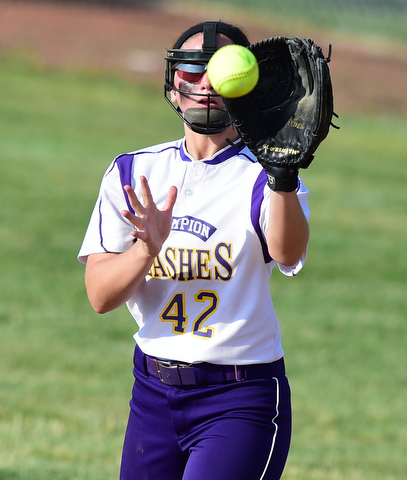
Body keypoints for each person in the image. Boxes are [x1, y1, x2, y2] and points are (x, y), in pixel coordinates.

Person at [78, 21, 310, 480]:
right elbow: (100, 296)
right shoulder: (133, 171)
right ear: (172, 85)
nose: (204, 85)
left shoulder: (265, 176)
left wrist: (282, 176)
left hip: (239, 398)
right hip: (152, 395)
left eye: (219, 74)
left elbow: (287, 254)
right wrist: (147, 249)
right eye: (191, 71)